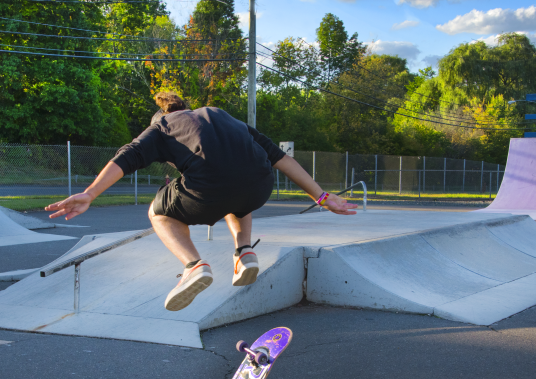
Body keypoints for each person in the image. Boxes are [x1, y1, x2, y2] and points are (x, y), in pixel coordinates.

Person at [45, 92, 357, 311]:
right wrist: (322, 195)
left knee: (159, 212)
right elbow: (280, 158)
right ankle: (244, 252)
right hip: (260, 185)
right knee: (237, 193)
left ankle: (194, 266)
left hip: (210, 188)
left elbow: (128, 156)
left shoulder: (162, 126)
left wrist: (91, 193)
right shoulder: (221, 116)